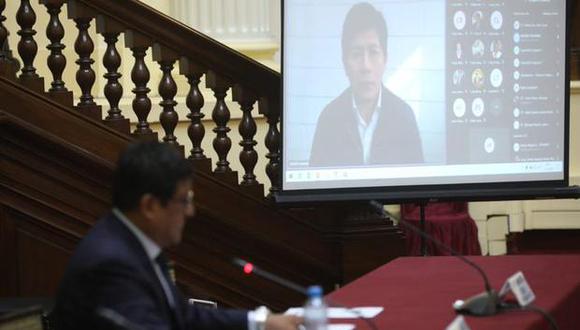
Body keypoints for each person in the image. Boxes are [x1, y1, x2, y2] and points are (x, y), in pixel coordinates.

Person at [51, 141, 302, 330]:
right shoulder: (112, 264)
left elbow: (183, 316)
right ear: (150, 206)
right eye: (184, 201)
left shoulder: (136, 244)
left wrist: (261, 322)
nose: (191, 211)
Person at [310, 2, 423, 167]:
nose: (366, 66)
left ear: (385, 58)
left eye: (374, 52)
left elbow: (417, 185)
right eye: (356, 54)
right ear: (344, 62)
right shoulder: (329, 118)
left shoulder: (404, 116)